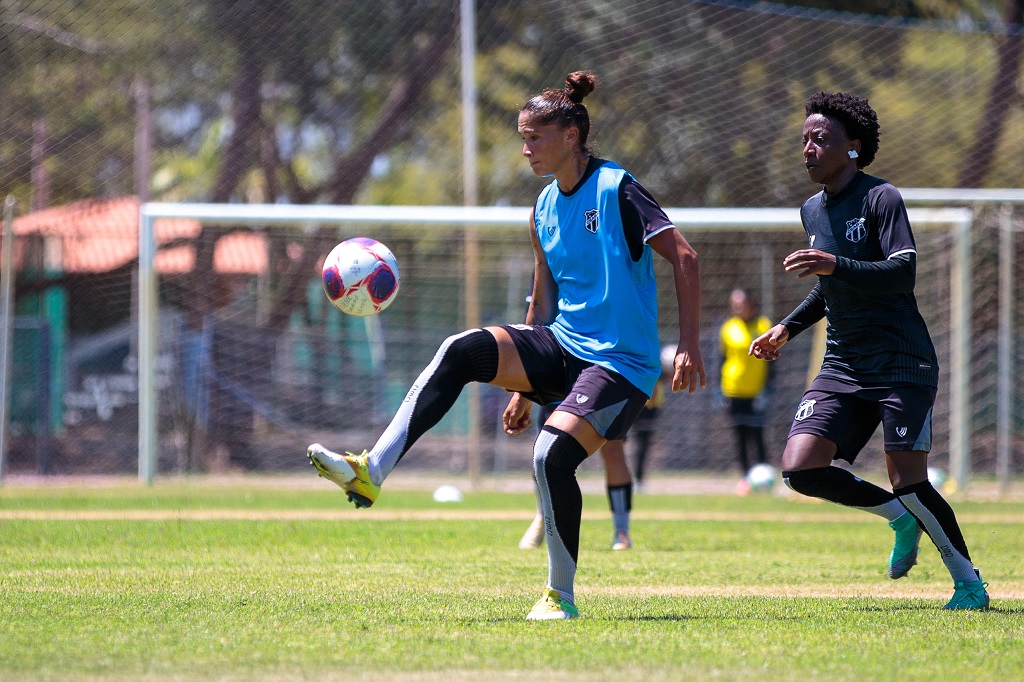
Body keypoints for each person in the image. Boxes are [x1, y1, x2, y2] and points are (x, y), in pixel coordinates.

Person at [306, 70, 706, 621]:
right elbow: (542, 302)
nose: (525, 149)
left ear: (570, 135)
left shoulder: (618, 189)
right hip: (562, 345)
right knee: (461, 348)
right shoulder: (542, 207)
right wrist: (520, 384)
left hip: (622, 364)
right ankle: (372, 469)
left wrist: (689, 344)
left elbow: (685, 257)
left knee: (549, 456)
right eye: (522, 138)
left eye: (534, 137)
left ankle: (559, 596)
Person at [749, 91, 989, 610]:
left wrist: (834, 267)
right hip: (843, 364)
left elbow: (902, 272)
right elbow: (830, 286)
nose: (809, 149)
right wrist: (785, 330)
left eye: (822, 140)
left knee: (909, 479)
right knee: (801, 469)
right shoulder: (812, 209)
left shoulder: (882, 199)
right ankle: (899, 519)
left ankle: (968, 581)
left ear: (853, 148)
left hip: (903, 362)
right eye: (805, 140)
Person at [519, 404, 634, 552]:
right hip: (561, 387)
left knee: (613, 449)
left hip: (602, 385)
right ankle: (543, 517)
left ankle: (622, 530)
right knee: (546, 449)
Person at [719, 288, 773, 494]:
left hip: (755, 392)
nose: (738, 307)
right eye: (735, 304)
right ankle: (745, 479)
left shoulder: (764, 326)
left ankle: (764, 478)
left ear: (751, 303)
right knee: (739, 436)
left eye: (742, 303)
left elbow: (771, 363)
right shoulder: (728, 328)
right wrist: (719, 389)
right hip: (733, 391)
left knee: (758, 436)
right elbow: (723, 359)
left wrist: (766, 390)